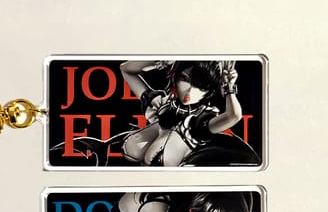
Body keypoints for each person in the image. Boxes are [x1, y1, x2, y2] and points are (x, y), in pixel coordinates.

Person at [49, 59, 260, 167]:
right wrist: (158, 60)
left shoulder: (200, 123)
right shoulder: (162, 104)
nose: (190, 91)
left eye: (201, 86)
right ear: (175, 76)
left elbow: (233, 116)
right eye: (185, 80)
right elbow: (126, 69)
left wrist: (229, 88)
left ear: (210, 91)